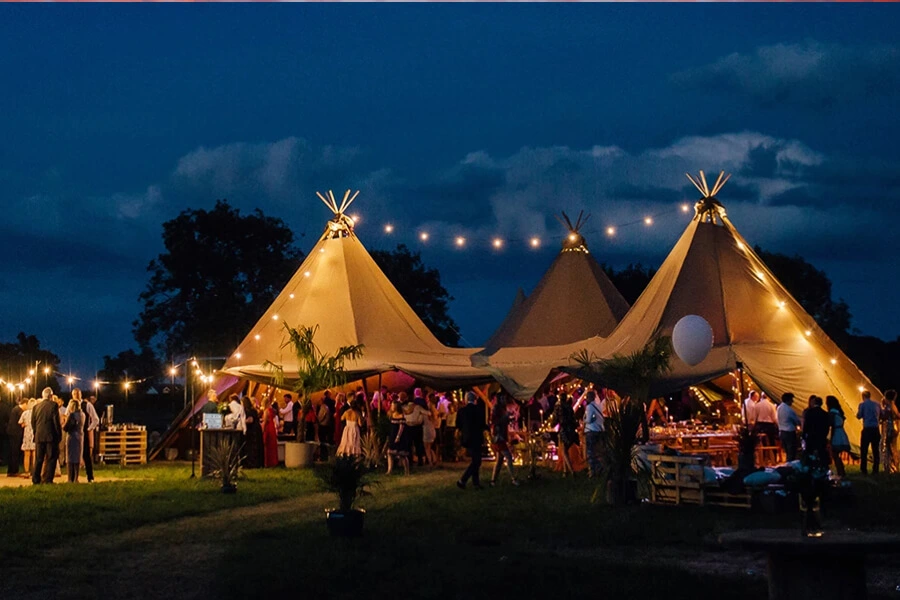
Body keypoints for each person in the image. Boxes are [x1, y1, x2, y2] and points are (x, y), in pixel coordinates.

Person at [457, 391, 488, 490]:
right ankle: (463, 480)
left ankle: (476, 483)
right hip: (476, 437)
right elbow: (482, 424)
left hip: (467, 438)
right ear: (475, 399)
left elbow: (458, 424)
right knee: (477, 461)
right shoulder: (478, 410)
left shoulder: (462, 411)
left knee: (475, 460)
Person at [31, 387, 62, 485]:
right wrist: (59, 435)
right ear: (51, 396)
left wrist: (36, 432)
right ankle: (48, 479)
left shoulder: (36, 407)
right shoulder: (54, 405)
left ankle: (36, 479)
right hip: (50, 436)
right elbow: (56, 422)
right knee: (51, 458)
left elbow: (33, 422)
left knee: (39, 459)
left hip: (39, 436)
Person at [489, 394, 519, 487]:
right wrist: (506, 417)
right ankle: (513, 479)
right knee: (508, 457)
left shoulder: (502, 409)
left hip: (501, 436)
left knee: (499, 460)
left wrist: (511, 418)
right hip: (498, 437)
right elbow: (495, 422)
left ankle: (493, 480)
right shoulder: (496, 409)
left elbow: (504, 420)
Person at [553, 392, 579, 477]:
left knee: (564, 450)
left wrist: (553, 424)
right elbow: (573, 417)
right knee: (564, 448)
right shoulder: (569, 407)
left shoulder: (559, 406)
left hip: (564, 429)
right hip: (571, 429)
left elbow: (556, 418)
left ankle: (571, 471)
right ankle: (565, 471)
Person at [856, 389, 882, 475]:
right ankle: (876, 469)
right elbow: (881, 415)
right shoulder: (877, 404)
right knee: (875, 450)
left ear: (863, 396)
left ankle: (864, 469)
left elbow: (859, 416)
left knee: (864, 450)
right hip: (876, 429)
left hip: (867, 429)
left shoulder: (862, 405)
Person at [583, 390, 606, 478]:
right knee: (598, 451)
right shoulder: (599, 406)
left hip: (591, 430)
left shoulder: (589, 407)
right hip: (599, 430)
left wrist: (584, 420)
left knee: (591, 452)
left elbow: (588, 420)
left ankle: (592, 471)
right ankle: (600, 468)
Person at [801, 396, 830, 465]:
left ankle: (810, 465)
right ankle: (822, 465)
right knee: (821, 452)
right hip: (821, 436)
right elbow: (827, 426)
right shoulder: (825, 413)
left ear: (814, 403)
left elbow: (806, 425)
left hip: (811, 436)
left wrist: (804, 434)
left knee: (810, 452)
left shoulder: (809, 412)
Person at [825, 395, 849, 478]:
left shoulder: (832, 413)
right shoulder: (839, 412)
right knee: (836, 454)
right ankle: (841, 471)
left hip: (836, 434)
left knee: (835, 454)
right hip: (841, 432)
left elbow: (830, 424)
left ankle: (840, 472)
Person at [403, 394, 429, 467]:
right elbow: (428, 413)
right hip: (417, 428)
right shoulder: (418, 407)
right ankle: (420, 461)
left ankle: (409, 461)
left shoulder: (404, 408)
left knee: (409, 445)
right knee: (418, 444)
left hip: (408, 427)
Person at [63, 398, 84, 483]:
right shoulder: (82, 415)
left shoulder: (72, 415)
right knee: (77, 457)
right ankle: (76, 478)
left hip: (71, 436)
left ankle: (69, 478)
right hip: (79, 436)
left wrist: (63, 425)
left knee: (70, 457)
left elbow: (67, 427)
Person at [386, 400, 410, 476]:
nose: (391, 407)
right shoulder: (391, 415)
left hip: (399, 436)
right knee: (390, 452)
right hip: (392, 435)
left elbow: (401, 427)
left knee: (402, 454)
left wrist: (398, 437)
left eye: (393, 406)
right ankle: (389, 470)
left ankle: (407, 471)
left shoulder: (401, 416)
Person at [776, 393, 801, 461]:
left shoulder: (779, 408)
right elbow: (797, 421)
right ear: (788, 400)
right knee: (791, 452)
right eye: (791, 400)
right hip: (789, 432)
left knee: (787, 451)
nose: (792, 402)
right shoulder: (789, 410)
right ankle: (790, 466)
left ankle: (788, 464)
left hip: (781, 432)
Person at [81, 392, 99, 482]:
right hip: (74, 434)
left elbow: (96, 419)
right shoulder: (71, 404)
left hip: (84, 433)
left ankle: (90, 476)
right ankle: (73, 477)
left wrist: (89, 429)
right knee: (73, 456)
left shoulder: (87, 405)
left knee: (86, 455)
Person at [881, 390, 899, 474]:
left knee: (888, 447)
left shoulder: (888, 406)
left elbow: (885, 416)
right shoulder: (894, 406)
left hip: (890, 428)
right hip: (895, 428)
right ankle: (895, 466)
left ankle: (890, 468)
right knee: (893, 447)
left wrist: (881, 416)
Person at [241, 396, 263, 468]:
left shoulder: (248, 411)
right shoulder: (253, 410)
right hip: (256, 429)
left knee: (252, 447)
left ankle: (252, 463)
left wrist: (242, 422)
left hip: (252, 431)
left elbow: (250, 420)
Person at [7, 398, 26, 477]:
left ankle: (11, 470)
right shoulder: (19, 411)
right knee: (15, 452)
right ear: (25, 403)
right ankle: (14, 471)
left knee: (12, 452)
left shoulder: (15, 409)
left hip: (11, 433)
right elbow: (22, 423)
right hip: (15, 433)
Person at [19, 399, 36, 477]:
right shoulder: (36, 413)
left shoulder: (25, 413)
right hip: (35, 434)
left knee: (27, 454)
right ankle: (34, 471)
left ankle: (26, 472)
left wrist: (25, 424)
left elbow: (21, 423)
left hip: (27, 435)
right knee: (34, 454)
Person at [261, 399, 279, 468]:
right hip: (272, 428)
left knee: (267, 444)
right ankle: (274, 462)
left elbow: (265, 421)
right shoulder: (272, 410)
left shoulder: (266, 411)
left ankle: (268, 462)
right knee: (272, 445)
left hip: (268, 428)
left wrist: (263, 430)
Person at [317, 396, 335, 461]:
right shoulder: (326, 407)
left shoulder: (323, 408)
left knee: (322, 442)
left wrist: (317, 421)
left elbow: (321, 417)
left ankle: (323, 456)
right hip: (325, 425)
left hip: (323, 426)